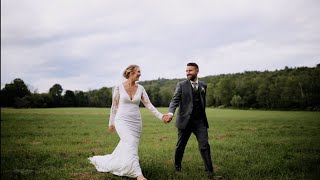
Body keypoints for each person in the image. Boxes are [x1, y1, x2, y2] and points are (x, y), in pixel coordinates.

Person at [89, 65, 167, 180]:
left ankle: (119, 164)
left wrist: (161, 116)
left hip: (136, 123)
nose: (140, 74)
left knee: (131, 146)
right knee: (129, 142)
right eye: (138, 72)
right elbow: (114, 106)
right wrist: (111, 123)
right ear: (131, 73)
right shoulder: (118, 87)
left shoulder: (140, 88)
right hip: (121, 121)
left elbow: (148, 105)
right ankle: (138, 174)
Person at [163, 62, 215, 177]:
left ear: (197, 71)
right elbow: (175, 100)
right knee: (180, 146)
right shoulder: (181, 85)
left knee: (204, 145)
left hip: (200, 122)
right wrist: (171, 113)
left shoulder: (203, 86)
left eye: (190, 70)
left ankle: (210, 172)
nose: (188, 73)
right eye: (186, 71)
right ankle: (177, 168)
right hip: (185, 122)